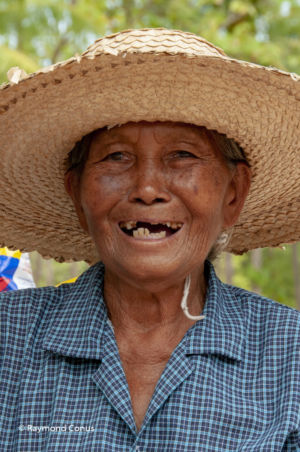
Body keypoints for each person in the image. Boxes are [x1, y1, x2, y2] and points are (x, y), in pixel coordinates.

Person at [0, 28, 299, 451]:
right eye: (116, 156)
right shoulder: (8, 337)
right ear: (77, 193)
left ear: (233, 194)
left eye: (182, 155)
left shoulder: (290, 355)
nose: (147, 187)